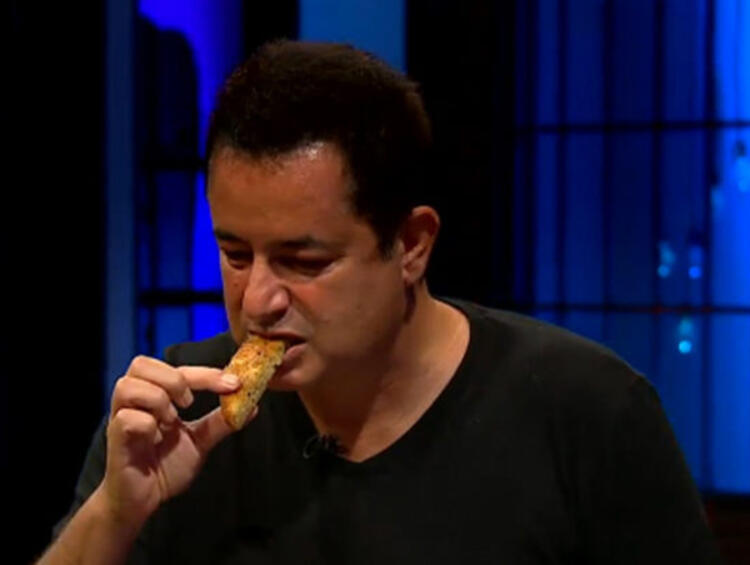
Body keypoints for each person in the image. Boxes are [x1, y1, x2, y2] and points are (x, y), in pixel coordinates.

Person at [39, 40, 722, 564]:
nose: (259, 300)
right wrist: (116, 512)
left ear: (412, 245)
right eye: (236, 255)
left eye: (305, 261)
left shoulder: (588, 414)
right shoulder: (179, 420)